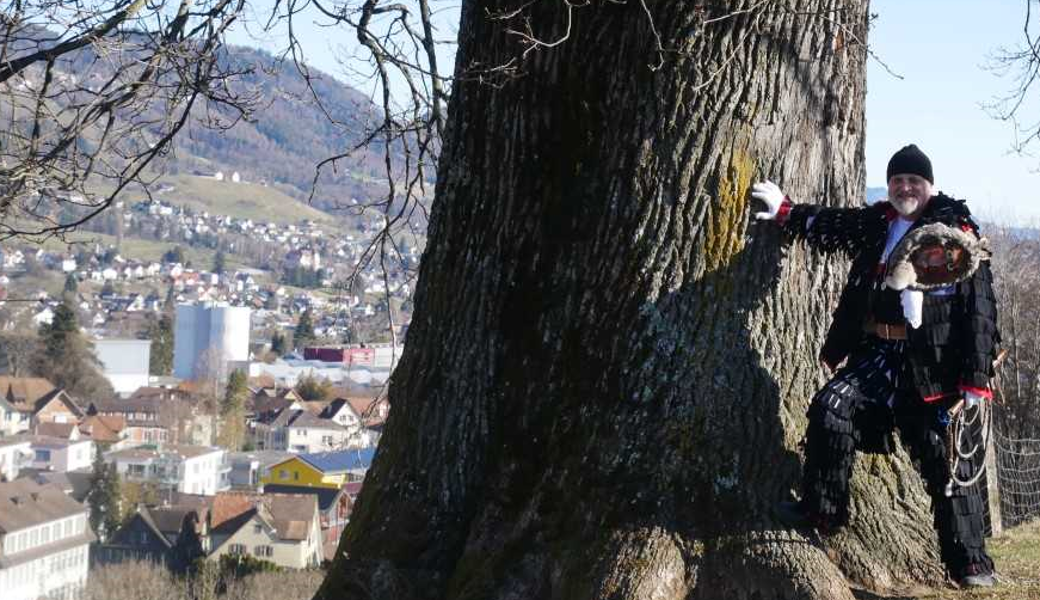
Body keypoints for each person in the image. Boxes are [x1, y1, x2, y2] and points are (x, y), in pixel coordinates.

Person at [751, 144, 1000, 588]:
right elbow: (831, 223)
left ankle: (971, 564)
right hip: (877, 356)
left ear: (930, 186)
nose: (906, 187)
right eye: (898, 180)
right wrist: (787, 210)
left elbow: (980, 310)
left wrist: (975, 380)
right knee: (831, 408)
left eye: (914, 181)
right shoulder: (877, 221)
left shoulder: (954, 229)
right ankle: (823, 511)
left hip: (932, 368)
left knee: (945, 462)